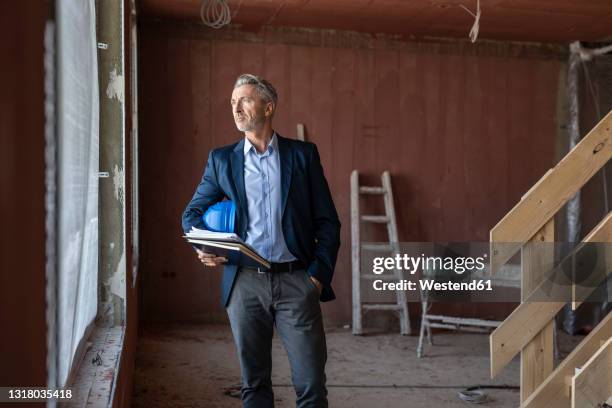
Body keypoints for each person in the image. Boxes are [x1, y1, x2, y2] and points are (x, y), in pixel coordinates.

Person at [182, 73, 341, 408]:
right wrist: (206, 247)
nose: (236, 108)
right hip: (244, 285)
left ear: (268, 107)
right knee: (254, 385)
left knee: (312, 384)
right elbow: (192, 215)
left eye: (245, 100)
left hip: (298, 280)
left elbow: (328, 221)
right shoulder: (222, 160)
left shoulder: (302, 156)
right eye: (233, 102)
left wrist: (317, 277)